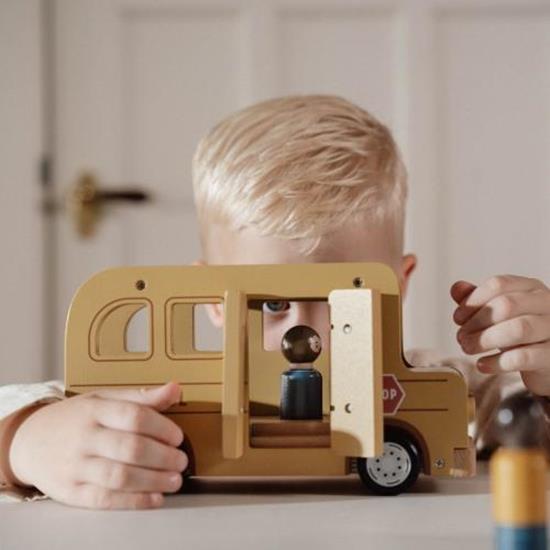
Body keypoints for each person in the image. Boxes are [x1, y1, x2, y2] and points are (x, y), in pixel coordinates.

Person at [1, 95, 550, 509]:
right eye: (271, 305)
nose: (305, 340)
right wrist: (27, 442)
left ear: (399, 284)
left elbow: (526, 425)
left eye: (343, 301)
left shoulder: (451, 384)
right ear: (211, 299)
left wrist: (543, 371)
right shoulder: (159, 403)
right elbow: (24, 414)